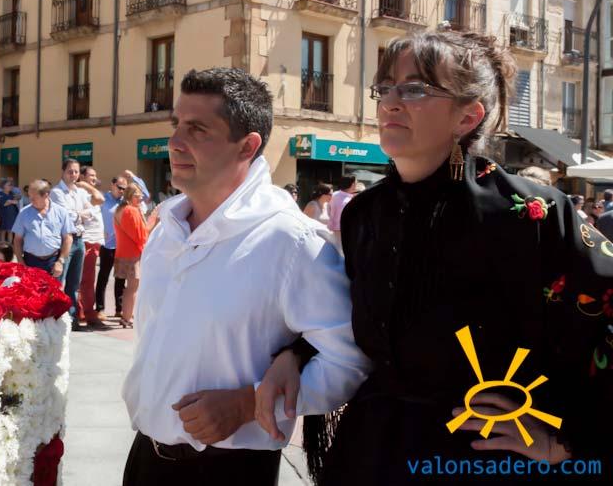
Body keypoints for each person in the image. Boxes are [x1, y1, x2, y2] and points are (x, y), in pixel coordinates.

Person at [254, 31, 613, 485]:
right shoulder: (366, 213)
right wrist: (296, 353)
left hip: (481, 457)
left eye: (415, 89)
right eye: (386, 88)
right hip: (371, 451)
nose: (390, 103)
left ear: (467, 116)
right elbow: (355, 318)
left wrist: (569, 439)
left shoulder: (531, 213)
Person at [121, 68, 370, 486]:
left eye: (197, 129)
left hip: (227, 471)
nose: (175, 142)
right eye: (176, 125)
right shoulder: (167, 229)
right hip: (145, 457)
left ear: (247, 146)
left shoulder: (291, 242)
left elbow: (350, 361)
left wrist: (247, 404)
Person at [49, 159, 104, 329]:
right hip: (65, 239)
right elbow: (66, 215)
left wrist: (79, 213)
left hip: (80, 238)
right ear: (63, 171)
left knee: (74, 283)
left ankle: (72, 319)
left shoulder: (79, 191)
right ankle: (54, 317)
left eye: (76, 172)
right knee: (59, 281)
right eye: (70, 171)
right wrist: (81, 214)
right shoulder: (57, 192)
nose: (73, 175)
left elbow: (93, 209)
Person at [112, 184, 154, 329]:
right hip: (132, 255)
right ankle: (127, 318)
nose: (141, 198)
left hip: (123, 252)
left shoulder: (121, 209)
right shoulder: (131, 210)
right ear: (130, 196)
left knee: (129, 288)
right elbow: (142, 236)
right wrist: (154, 220)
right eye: (138, 195)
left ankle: (126, 316)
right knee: (132, 288)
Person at [12, 180, 74, 276]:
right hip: (30, 261)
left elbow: (68, 238)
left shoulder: (61, 212)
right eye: (29, 196)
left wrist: (60, 261)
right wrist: (21, 262)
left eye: (34, 197)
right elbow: (17, 240)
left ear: (46, 195)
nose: (30, 200)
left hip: (53, 262)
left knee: (53, 286)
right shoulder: (24, 213)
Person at [77, 166, 107, 323]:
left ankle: (85, 310)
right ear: (82, 177)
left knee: (88, 279)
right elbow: (99, 199)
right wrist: (85, 185)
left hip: (95, 241)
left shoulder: (89, 193)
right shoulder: (81, 193)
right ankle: (84, 312)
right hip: (86, 240)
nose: (95, 178)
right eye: (91, 176)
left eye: (95, 175)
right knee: (85, 280)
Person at [96, 177, 127, 319]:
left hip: (121, 245)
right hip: (107, 244)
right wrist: (99, 231)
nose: (122, 191)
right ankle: (100, 308)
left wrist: (134, 177)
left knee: (121, 278)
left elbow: (144, 195)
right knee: (103, 277)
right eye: (120, 187)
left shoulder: (125, 202)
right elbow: (94, 216)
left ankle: (119, 309)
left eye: (124, 189)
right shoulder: (103, 199)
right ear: (112, 185)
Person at [326, 174, 357, 251]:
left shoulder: (333, 195)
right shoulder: (350, 201)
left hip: (330, 231)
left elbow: (327, 211)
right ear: (352, 184)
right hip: (344, 233)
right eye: (356, 182)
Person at [0, 179, 20, 244]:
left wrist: (10, 201)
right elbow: (4, 204)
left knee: (10, 231)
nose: (11, 186)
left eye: (11, 185)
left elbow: (16, 201)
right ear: (4, 186)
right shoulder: (0, 194)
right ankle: (2, 245)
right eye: (9, 185)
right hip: (4, 215)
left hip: (13, 215)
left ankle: (9, 245)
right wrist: (11, 201)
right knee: (3, 231)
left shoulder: (12, 193)